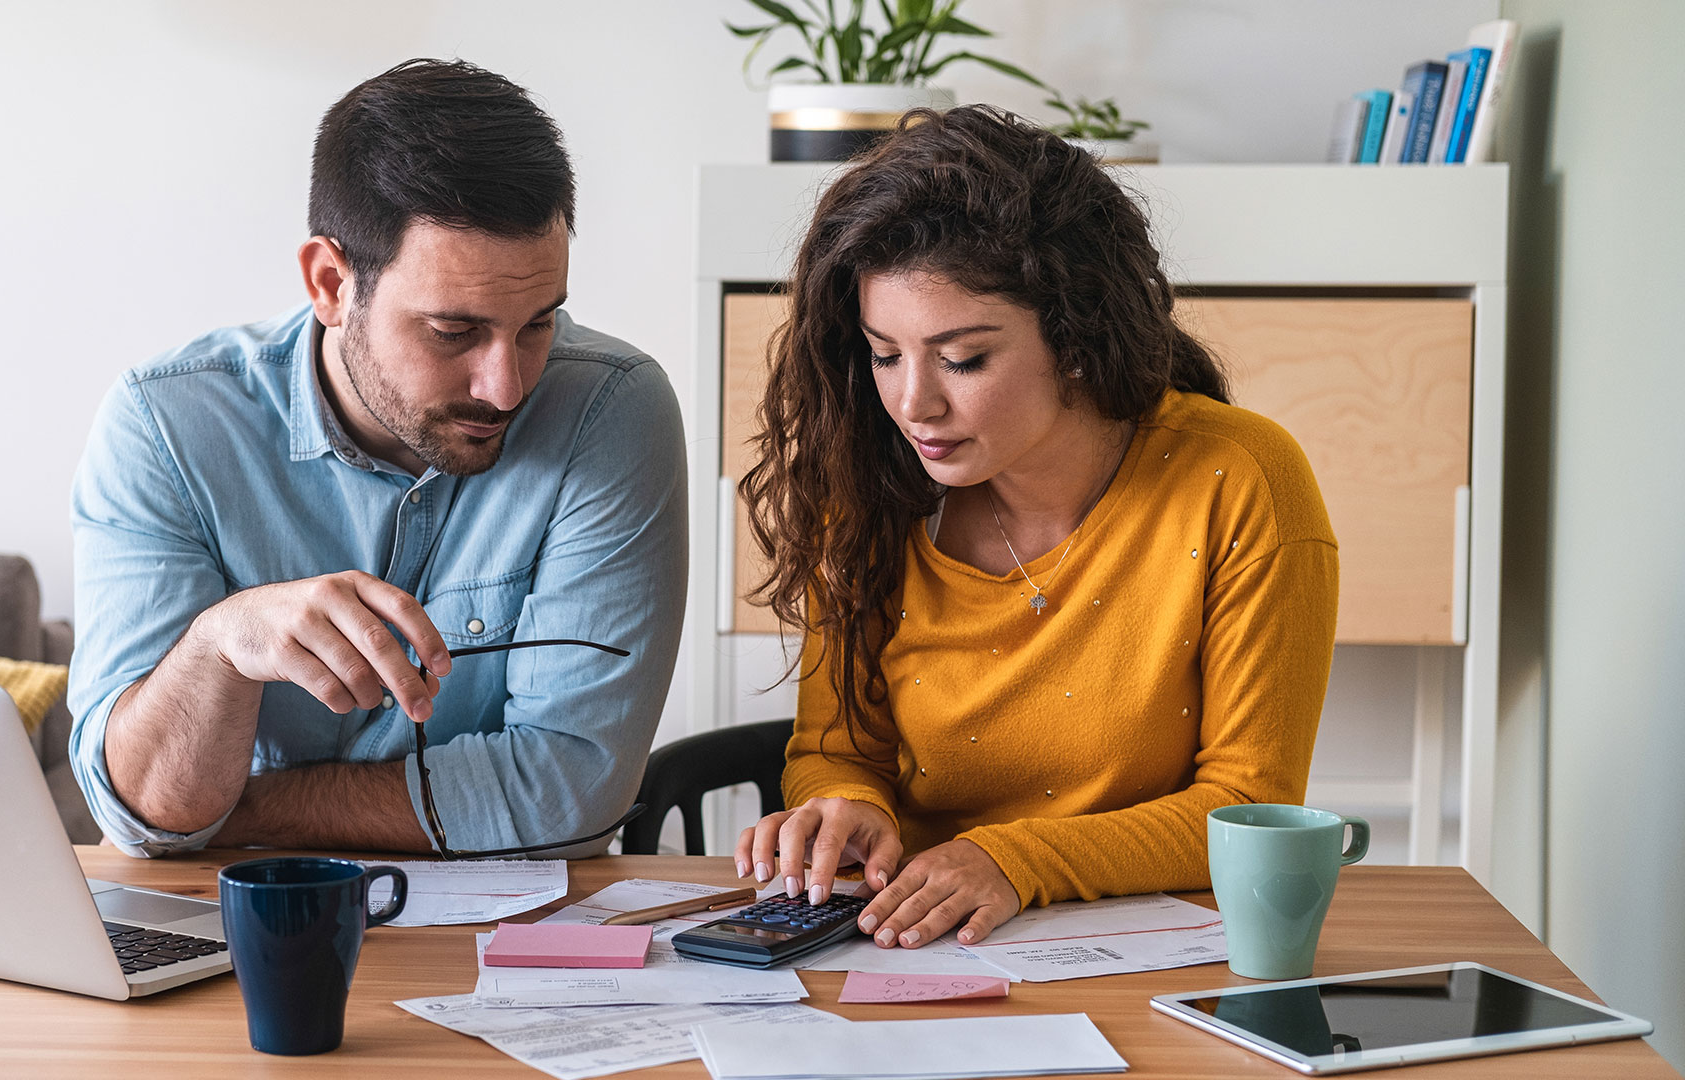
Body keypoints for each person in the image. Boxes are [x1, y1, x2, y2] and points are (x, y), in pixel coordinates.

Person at [734, 105, 1339, 949]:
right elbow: (837, 750)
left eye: (963, 359)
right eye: (885, 353)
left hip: (1145, 955)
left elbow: (1246, 805)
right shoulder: (868, 487)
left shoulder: (1240, 480)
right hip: (910, 944)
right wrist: (848, 809)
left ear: (1077, 336)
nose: (914, 403)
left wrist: (1013, 861)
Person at [67, 59, 687, 859]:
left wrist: (235, 813)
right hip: (234, 934)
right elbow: (142, 809)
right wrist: (220, 646)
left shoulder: (611, 410)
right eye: (453, 332)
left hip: (505, 952)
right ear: (330, 282)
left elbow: (571, 794)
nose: (505, 387)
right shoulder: (165, 428)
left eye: (538, 323)